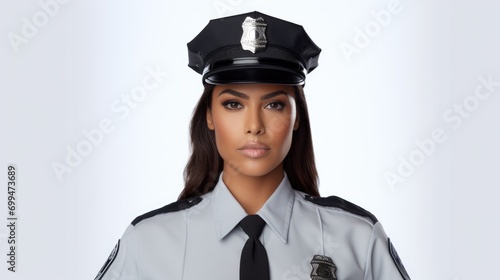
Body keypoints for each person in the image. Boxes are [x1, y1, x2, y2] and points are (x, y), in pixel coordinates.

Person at [95, 11, 411, 280]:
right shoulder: (148, 243)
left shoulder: (356, 237)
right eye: (234, 104)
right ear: (209, 116)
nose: (254, 125)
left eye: (274, 105)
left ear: (296, 117)